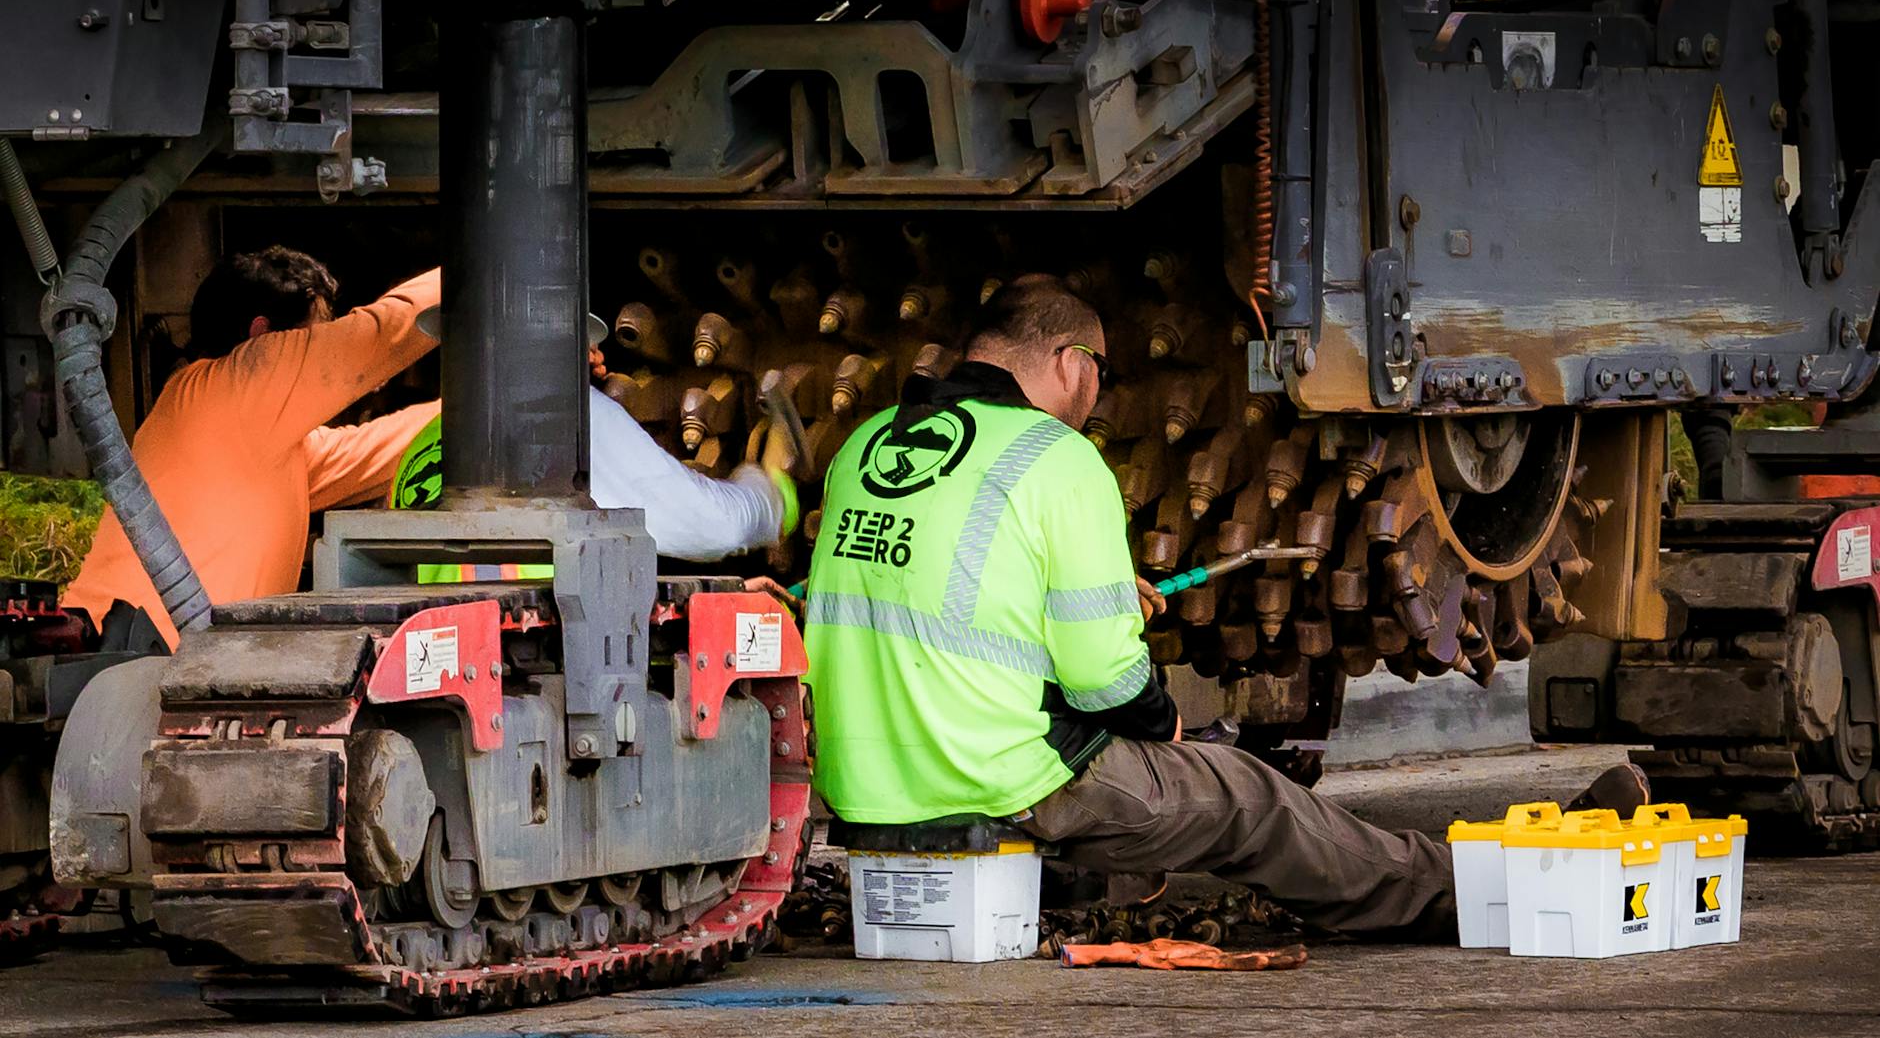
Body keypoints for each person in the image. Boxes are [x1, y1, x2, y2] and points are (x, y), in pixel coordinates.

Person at [803, 275, 1646, 940]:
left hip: (866, 786)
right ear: (1067, 360)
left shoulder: (870, 442)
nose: (1099, 391)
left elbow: (932, 607)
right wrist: (1165, 720)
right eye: (1100, 370)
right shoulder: (1056, 459)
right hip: (993, 779)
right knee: (1254, 799)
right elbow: (1106, 679)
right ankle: (1478, 889)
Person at [64, 249, 440, 648]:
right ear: (262, 337)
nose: (323, 347)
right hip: (121, 662)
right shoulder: (239, 384)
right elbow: (380, 334)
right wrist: (486, 260)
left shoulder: (242, 431)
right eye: (315, 335)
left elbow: (383, 449)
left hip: (135, 660)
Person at [391, 312, 795, 566]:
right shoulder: (571, 418)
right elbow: (709, 524)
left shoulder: (423, 444)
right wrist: (770, 490)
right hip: (523, 656)